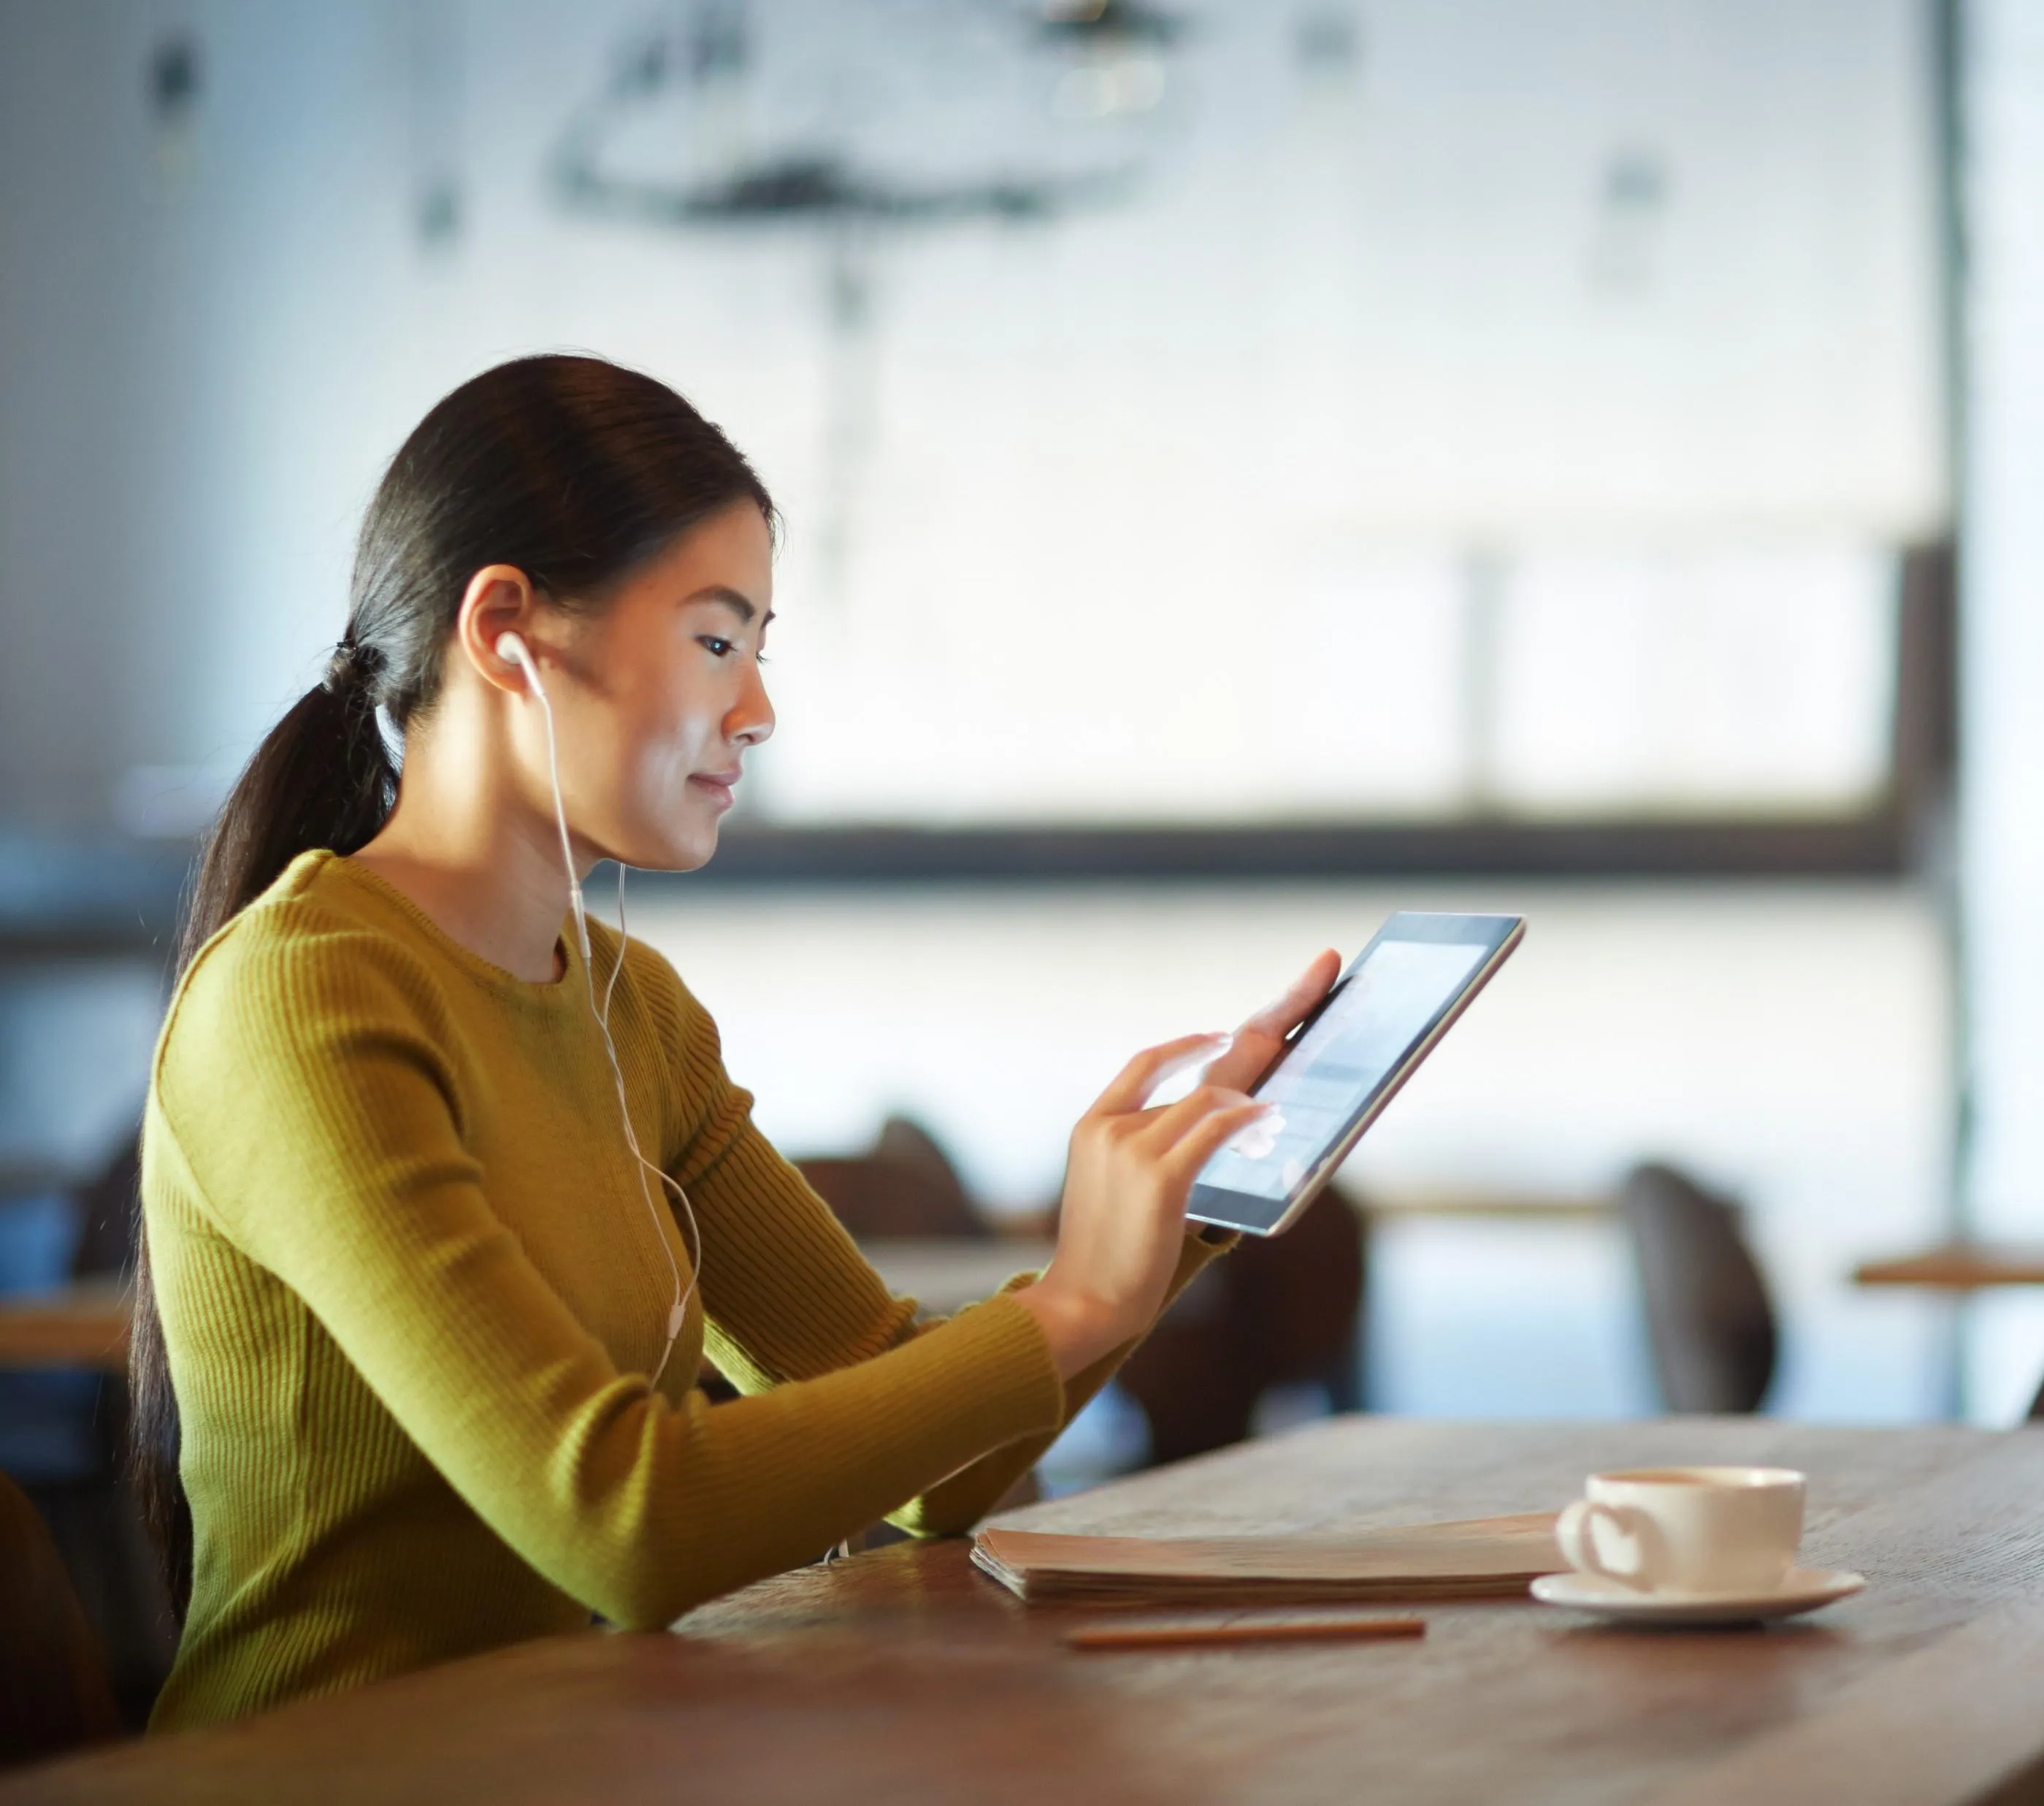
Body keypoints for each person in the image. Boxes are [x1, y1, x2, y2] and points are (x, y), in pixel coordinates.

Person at [126, 355, 1337, 1729]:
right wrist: (1068, 1304)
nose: (758, 707)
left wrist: (1201, 1191)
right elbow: (625, 1521)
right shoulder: (305, 998)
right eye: (717, 640)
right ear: (506, 624)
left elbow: (917, 1452)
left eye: (762, 647)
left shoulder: (631, 1006)